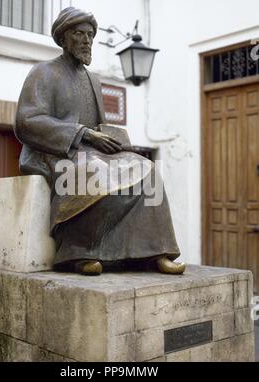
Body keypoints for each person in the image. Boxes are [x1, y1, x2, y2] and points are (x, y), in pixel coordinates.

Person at [14, 7, 185, 276]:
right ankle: (78, 251)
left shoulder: (92, 80)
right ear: (64, 38)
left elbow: (99, 126)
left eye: (91, 35)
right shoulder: (43, 72)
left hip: (91, 149)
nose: (87, 40)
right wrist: (82, 134)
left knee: (147, 170)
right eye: (80, 34)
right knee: (92, 171)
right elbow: (26, 121)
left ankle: (155, 251)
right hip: (55, 150)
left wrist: (113, 141)